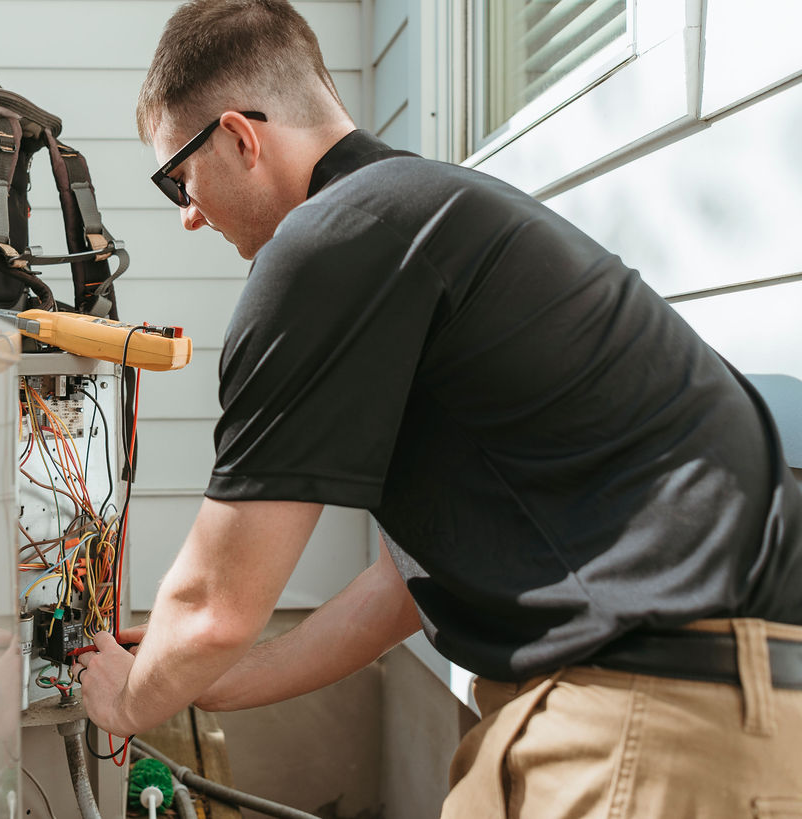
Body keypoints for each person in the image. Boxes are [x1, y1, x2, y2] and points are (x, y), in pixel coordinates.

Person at [76, 0, 802, 814]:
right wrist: (211, 680)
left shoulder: (325, 246)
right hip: (719, 700)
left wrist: (128, 701)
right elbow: (404, 585)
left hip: (653, 708)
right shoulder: (414, 218)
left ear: (242, 137)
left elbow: (213, 602)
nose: (188, 212)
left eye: (178, 174)